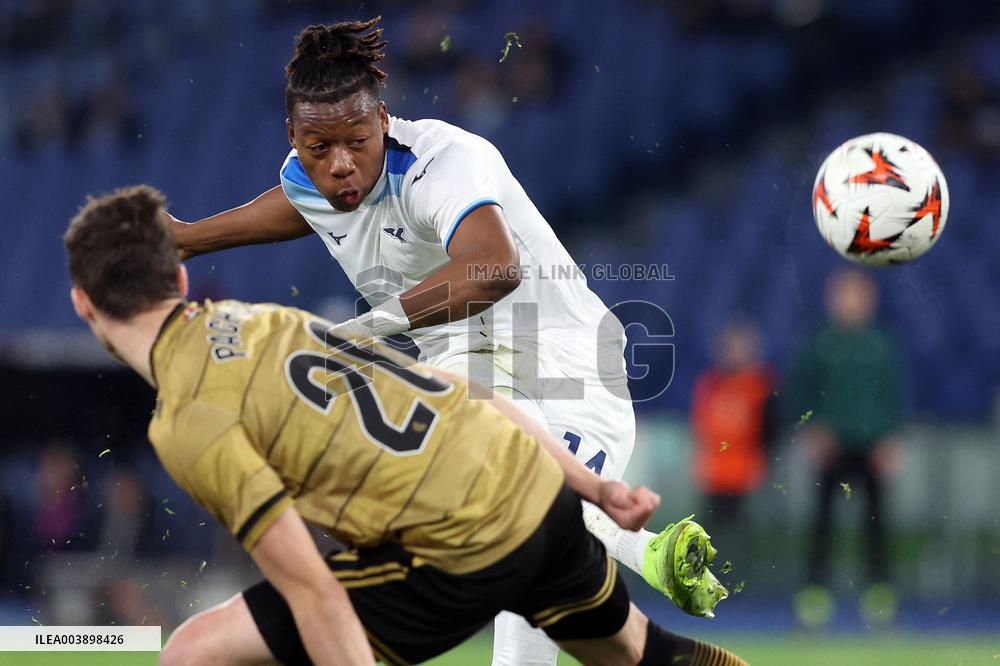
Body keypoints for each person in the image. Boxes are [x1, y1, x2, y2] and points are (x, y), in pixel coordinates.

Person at [166, 16, 726, 664]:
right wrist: (189, 236)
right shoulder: (310, 176)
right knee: (523, 555)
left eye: (355, 141)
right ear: (294, 137)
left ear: (383, 120)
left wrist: (361, 334)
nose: (340, 166)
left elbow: (494, 267)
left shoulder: (444, 162)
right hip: (465, 368)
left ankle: (643, 554)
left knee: (530, 573)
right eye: (319, 148)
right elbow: (298, 200)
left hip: (568, 364)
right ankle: (646, 555)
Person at [64, 185, 747, 666]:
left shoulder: (188, 420)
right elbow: (458, 390)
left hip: (463, 545)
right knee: (640, 654)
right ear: (181, 283)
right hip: (539, 489)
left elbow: (315, 590)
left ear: (83, 303)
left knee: (191, 654)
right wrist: (591, 488)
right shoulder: (268, 320)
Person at [787, 268, 903, 627]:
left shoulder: (882, 344)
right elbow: (801, 393)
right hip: (831, 448)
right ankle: (814, 597)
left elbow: (895, 396)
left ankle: (879, 597)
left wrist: (891, 439)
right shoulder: (820, 342)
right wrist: (813, 432)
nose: (850, 303)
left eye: (857, 295)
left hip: (871, 447)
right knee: (822, 523)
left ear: (870, 300)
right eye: (843, 295)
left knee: (876, 523)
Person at [690, 319, 776, 563]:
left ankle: (745, 580)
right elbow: (701, 424)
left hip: (747, 468)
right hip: (715, 468)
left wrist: (765, 462)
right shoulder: (709, 383)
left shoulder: (761, 385)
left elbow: (769, 429)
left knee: (743, 533)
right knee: (709, 531)